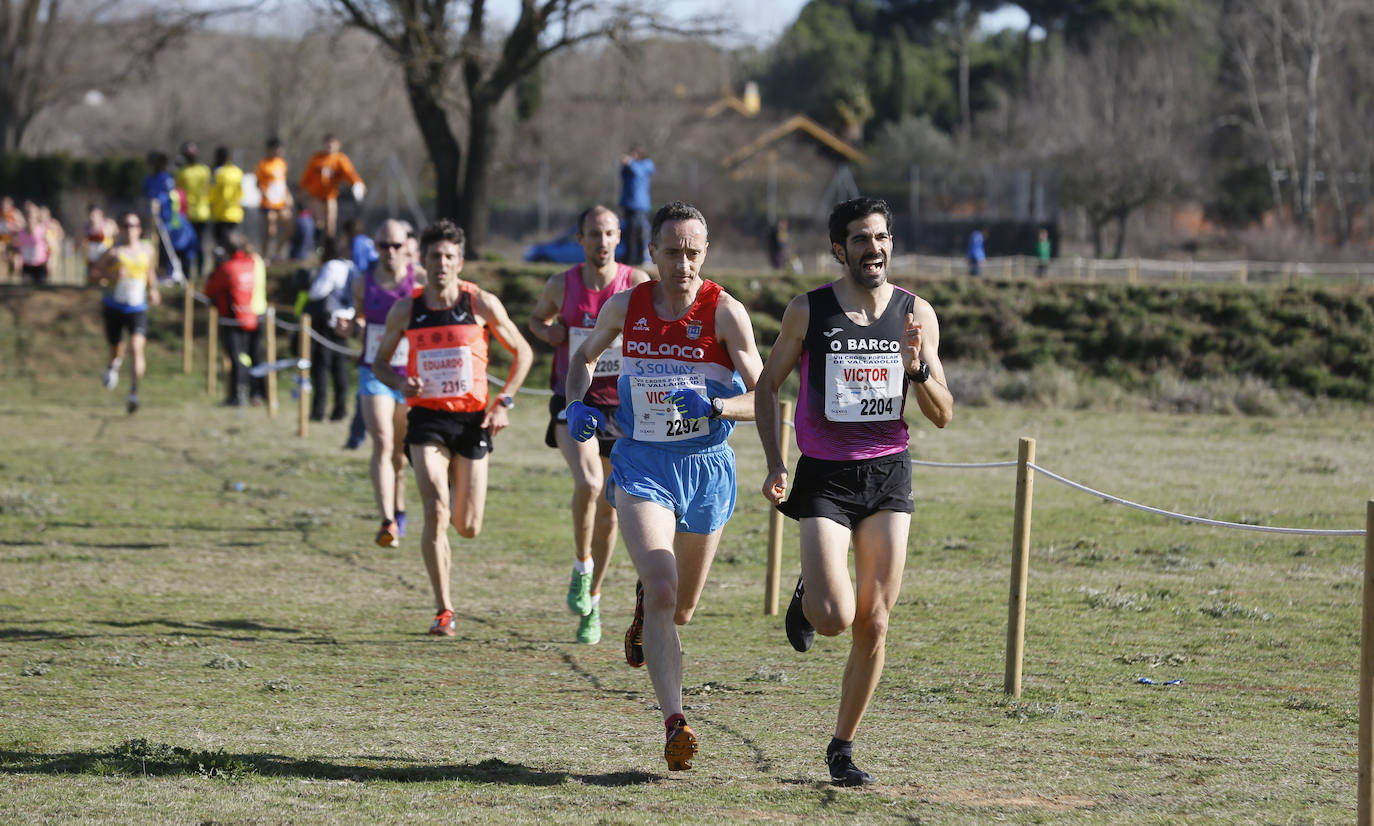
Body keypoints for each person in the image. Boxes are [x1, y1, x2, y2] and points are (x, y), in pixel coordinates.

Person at [754, 196, 953, 787]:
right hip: (824, 474)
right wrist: (773, 461)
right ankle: (811, 594)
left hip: (888, 473)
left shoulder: (918, 314)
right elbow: (768, 388)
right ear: (839, 249)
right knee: (837, 615)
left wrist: (917, 371)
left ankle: (842, 747)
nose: (875, 249)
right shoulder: (808, 310)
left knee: (875, 622)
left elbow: (943, 414)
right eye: (862, 240)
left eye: (883, 238)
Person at [563, 201, 763, 772]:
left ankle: (644, 614)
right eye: (672, 252)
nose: (683, 264)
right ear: (651, 253)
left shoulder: (725, 312)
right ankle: (675, 721)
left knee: (682, 609)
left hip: (705, 467)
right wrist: (577, 403)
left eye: (693, 253)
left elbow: (769, 396)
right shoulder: (627, 306)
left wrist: (720, 404)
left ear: (705, 253)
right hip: (641, 462)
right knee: (664, 587)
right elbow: (583, 358)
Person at [371, 219, 533, 637]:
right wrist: (398, 381)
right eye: (433, 256)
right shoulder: (406, 309)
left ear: (459, 262)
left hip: (472, 420)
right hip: (425, 418)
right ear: (421, 261)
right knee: (435, 508)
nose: (441, 263)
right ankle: (444, 609)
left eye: (448, 256)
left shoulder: (480, 304)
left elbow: (523, 353)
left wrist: (504, 402)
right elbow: (379, 364)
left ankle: (461, 494)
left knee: (468, 526)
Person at [527, 205, 651, 645]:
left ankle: (593, 600)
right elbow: (536, 319)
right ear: (580, 239)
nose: (602, 241)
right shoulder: (562, 284)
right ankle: (581, 567)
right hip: (574, 398)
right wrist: (549, 334)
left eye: (609, 233)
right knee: (590, 482)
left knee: (611, 513)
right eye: (593, 234)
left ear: (620, 238)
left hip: (623, 406)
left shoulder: (635, 283)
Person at [344, 219, 423, 547]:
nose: (389, 251)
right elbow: (360, 316)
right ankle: (387, 520)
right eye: (382, 246)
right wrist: (352, 324)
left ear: (408, 245)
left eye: (395, 245)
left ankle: (400, 506)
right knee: (381, 439)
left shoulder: (419, 280)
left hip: (409, 376)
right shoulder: (363, 281)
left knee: (399, 452)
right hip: (374, 370)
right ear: (374, 247)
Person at [90, 212, 161, 413]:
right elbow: (93, 274)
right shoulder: (113, 252)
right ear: (121, 229)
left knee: (136, 347)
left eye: (134, 225)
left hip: (137, 307)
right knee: (116, 348)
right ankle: (113, 365)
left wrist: (153, 290)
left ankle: (134, 392)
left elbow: (150, 273)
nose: (130, 229)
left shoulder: (148, 250)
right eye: (126, 225)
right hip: (114, 306)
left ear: (139, 229)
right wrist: (111, 274)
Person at [296, 235, 357, 422]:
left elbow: (317, 292)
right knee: (340, 369)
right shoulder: (352, 267)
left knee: (321, 368)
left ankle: (319, 410)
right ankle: (340, 409)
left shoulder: (331, 267)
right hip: (346, 321)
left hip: (328, 323)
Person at [204, 232, 262, 407]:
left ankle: (237, 396)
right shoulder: (251, 264)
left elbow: (209, 288)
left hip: (232, 319)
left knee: (236, 358)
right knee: (249, 357)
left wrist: (216, 267)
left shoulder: (228, 268)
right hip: (251, 316)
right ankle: (255, 393)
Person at [299, 135, 364, 238]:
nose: (330, 146)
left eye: (332, 143)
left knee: (330, 221)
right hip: (316, 195)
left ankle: (329, 245)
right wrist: (302, 191)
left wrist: (357, 183)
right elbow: (306, 176)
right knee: (319, 221)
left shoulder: (340, 160)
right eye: (327, 143)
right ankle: (318, 243)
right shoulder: (317, 159)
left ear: (338, 145)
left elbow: (350, 173)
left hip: (330, 195)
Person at [174, 142, 212, 279]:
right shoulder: (204, 170)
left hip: (191, 214)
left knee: (191, 246)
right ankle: (195, 274)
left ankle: (192, 275)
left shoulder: (181, 172)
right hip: (195, 213)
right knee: (195, 246)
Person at [255, 137, 292, 262]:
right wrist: (266, 193)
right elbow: (258, 183)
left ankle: (276, 253)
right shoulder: (263, 164)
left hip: (280, 202)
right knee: (271, 231)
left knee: (288, 227)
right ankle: (264, 256)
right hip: (268, 203)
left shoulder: (282, 163)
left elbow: (283, 183)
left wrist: (288, 195)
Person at [618, 144, 654, 267]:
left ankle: (641, 259)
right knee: (628, 234)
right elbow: (623, 176)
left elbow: (638, 172)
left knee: (639, 233)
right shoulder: (629, 167)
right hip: (628, 205)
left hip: (639, 206)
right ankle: (629, 259)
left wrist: (630, 163)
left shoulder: (646, 165)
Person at [209, 146, 246, 251]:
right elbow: (240, 193)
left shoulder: (217, 173)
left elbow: (211, 194)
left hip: (221, 214)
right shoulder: (238, 171)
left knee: (220, 246)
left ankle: (222, 266)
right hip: (236, 214)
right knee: (234, 245)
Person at [13, 201, 50, 284]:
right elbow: (16, 248)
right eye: (28, 214)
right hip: (26, 267)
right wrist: (16, 259)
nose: (30, 217)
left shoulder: (43, 230)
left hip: (40, 266)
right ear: (25, 216)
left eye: (32, 215)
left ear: (36, 216)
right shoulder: (20, 232)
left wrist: (50, 261)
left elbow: (51, 247)